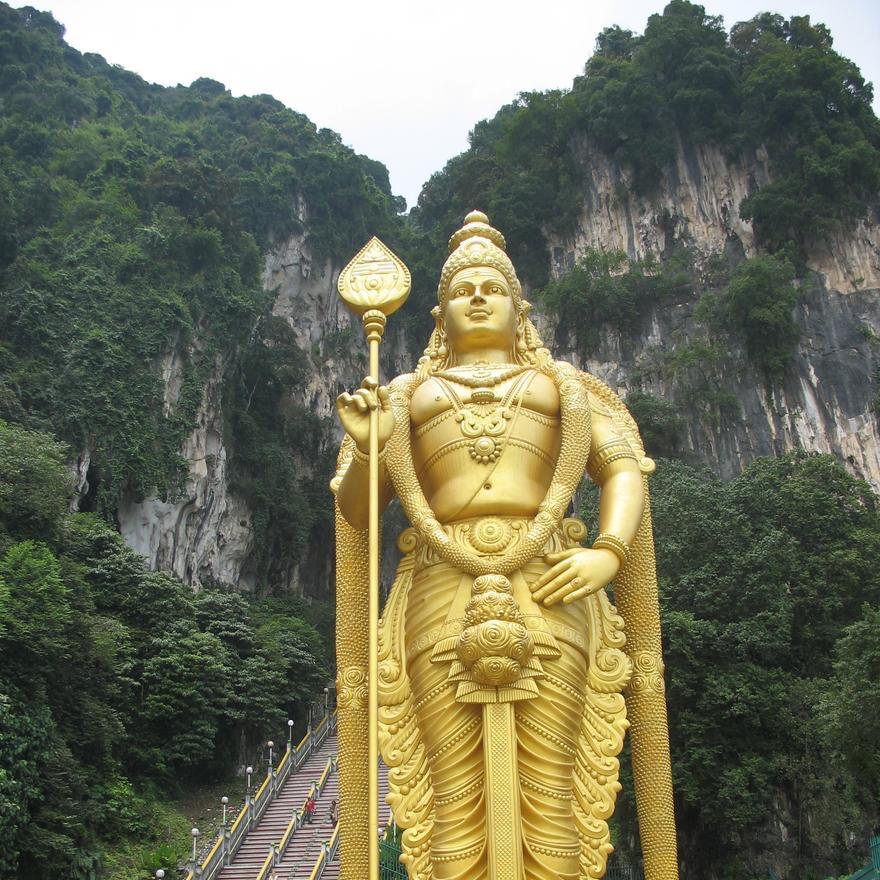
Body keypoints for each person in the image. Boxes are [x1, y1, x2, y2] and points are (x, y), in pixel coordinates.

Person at [333, 212, 677, 880]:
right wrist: (371, 447)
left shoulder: (563, 388)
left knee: (552, 785)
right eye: (463, 290)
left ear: (521, 309)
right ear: (440, 315)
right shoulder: (403, 396)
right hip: (439, 585)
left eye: (494, 288)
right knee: (451, 795)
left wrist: (608, 550)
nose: (479, 297)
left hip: (551, 580)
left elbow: (622, 468)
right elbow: (356, 512)